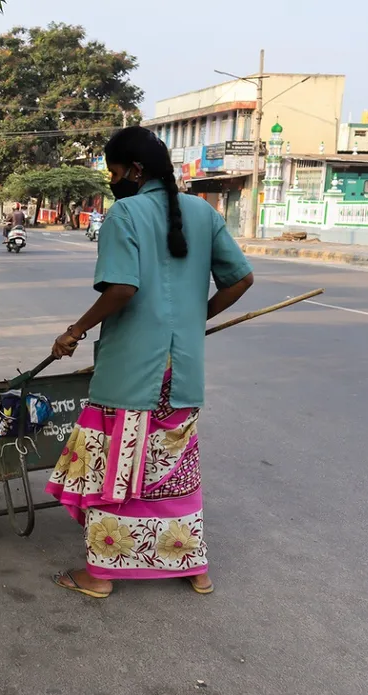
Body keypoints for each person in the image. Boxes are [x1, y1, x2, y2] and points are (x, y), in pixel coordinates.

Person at [45, 126, 254, 599]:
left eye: (115, 172)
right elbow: (241, 279)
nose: (113, 181)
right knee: (174, 468)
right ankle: (194, 568)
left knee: (117, 466)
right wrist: (193, 317)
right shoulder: (204, 211)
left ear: (135, 171)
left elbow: (122, 288)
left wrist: (73, 332)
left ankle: (101, 574)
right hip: (182, 370)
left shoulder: (126, 213)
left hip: (134, 369)